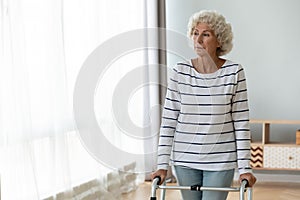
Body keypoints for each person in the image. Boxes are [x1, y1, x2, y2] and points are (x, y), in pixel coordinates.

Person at [151, 10, 256, 200]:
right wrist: (162, 165)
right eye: (195, 33)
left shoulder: (234, 73)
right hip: (184, 160)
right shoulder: (180, 72)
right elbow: (168, 122)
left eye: (206, 34)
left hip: (220, 161)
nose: (198, 39)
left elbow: (241, 124)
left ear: (219, 41)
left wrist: (245, 168)